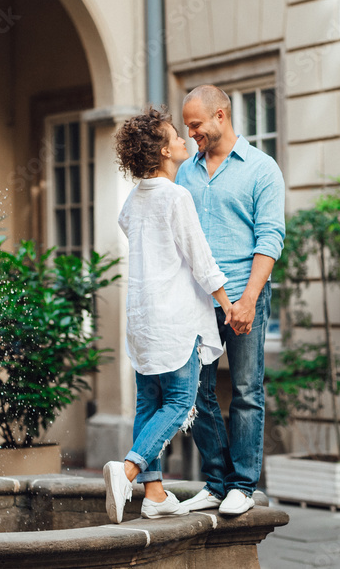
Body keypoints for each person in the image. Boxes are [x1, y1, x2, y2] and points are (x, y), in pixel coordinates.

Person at [103, 107, 233, 525]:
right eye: (175, 137)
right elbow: (200, 257)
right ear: (162, 150)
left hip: (141, 318)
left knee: (149, 402)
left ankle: (155, 494)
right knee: (180, 402)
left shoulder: (135, 199)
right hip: (174, 317)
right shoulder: (176, 196)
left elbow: (130, 227)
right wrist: (228, 303)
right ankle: (127, 472)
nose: (183, 141)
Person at [176, 84, 285, 516]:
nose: (191, 135)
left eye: (196, 125)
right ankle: (217, 481)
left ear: (221, 115)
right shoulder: (186, 172)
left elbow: (270, 236)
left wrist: (248, 299)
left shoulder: (261, 168)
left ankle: (242, 484)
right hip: (198, 304)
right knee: (194, 393)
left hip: (244, 297)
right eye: (186, 127)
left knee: (245, 390)